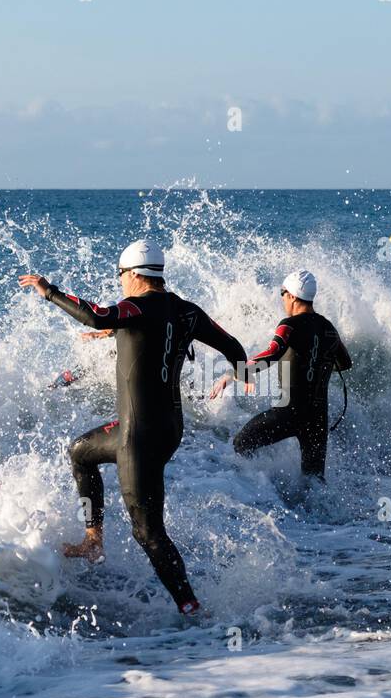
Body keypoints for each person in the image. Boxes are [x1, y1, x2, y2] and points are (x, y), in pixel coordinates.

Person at [18, 240, 247, 615]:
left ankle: (190, 607)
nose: (120, 281)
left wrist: (50, 292)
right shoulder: (187, 311)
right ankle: (93, 539)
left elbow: (96, 314)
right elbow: (233, 346)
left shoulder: (136, 306)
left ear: (134, 274)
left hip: (137, 436)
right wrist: (239, 376)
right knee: (81, 451)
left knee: (148, 532)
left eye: (120, 275)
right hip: (168, 429)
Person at [214, 270, 352, 479]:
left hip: (289, 413)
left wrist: (235, 373)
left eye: (282, 293)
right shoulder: (329, 328)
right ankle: (318, 512)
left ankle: (256, 494)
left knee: (241, 444)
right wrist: (315, 365)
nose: (282, 299)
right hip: (317, 418)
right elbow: (345, 363)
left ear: (292, 295)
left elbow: (271, 353)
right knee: (314, 480)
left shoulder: (289, 325)